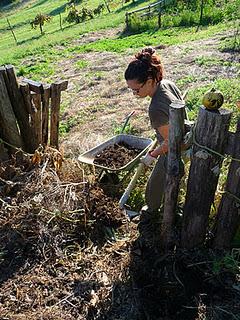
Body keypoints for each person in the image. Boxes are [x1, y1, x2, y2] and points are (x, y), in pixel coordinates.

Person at [124, 47, 184, 218]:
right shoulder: (166, 84)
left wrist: (153, 154)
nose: (134, 94)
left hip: (174, 148)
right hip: (180, 137)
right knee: (169, 181)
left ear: (149, 80)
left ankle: (151, 213)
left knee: (154, 186)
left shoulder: (156, 108)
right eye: (131, 90)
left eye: (136, 89)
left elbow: (172, 140)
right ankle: (169, 204)